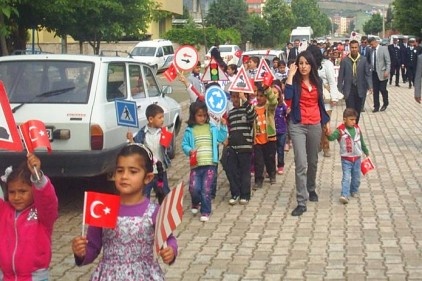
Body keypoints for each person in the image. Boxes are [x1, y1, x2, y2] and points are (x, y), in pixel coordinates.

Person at [71, 144, 178, 280]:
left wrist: (171, 251)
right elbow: (93, 247)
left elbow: (168, 239)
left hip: (144, 275)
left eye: (133, 171)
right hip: (110, 275)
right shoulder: (103, 208)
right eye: (120, 171)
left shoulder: (155, 211)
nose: (124, 176)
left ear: (148, 177)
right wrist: (81, 253)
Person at [284, 50, 330, 216]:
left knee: (313, 161)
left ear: (312, 65)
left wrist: (325, 122)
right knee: (301, 163)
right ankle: (301, 201)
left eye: (306, 63)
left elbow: (321, 104)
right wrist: (290, 75)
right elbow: (287, 98)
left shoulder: (317, 81)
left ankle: (311, 188)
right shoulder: (294, 83)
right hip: (298, 125)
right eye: (301, 63)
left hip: (315, 124)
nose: (303, 67)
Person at [0, 153, 58, 280]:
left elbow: (48, 201)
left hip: (34, 277)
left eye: (22, 191)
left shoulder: (41, 213)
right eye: (12, 192)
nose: (16, 197)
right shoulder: (4, 210)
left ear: (34, 190)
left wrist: (38, 177)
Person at [181, 101, 228, 222]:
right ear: (193, 116)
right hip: (196, 165)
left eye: (204, 115)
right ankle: (195, 202)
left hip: (210, 165)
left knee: (206, 189)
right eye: (199, 115)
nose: (202, 118)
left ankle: (206, 211)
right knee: (194, 188)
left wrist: (223, 126)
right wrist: (189, 150)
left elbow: (221, 138)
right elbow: (184, 144)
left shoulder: (211, 128)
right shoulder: (190, 130)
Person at [127, 104, 170, 204]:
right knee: (144, 193)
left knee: (163, 192)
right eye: (160, 117)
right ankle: (143, 212)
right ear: (150, 119)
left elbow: (168, 149)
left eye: (162, 117)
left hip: (160, 171)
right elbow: (137, 147)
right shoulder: (143, 133)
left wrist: (167, 144)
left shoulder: (163, 132)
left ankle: (164, 212)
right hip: (147, 172)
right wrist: (130, 140)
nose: (162, 120)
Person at [325, 108, 369, 204]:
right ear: (344, 119)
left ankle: (354, 190)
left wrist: (366, 150)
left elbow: (361, 141)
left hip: (357, 157)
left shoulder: (357, 128)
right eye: (351, 119)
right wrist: (328, 134)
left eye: (355, 119)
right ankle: (344, 194)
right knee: (346, 177)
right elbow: (332, 137)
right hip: (346, 159)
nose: (354, 122)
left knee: (356, 176)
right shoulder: (340, 130)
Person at [307, 45, 340, 157]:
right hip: (313, 97)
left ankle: (326, 146)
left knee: (325, 124)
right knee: (316, 124)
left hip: (326, 98)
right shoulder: (308, 65)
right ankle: (318, 144)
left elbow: (332, 82)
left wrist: (334, 98)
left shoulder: (327, 64)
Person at [224, 91, 256, 205]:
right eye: (233, 97)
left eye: (238, 96)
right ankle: (235, 193)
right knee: (232, 170)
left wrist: (245, 100)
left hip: (245, 146)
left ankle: (245, 194)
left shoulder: (247, 110)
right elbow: (230, 128)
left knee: (245, 172)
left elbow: (253, 116)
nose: (236, 99)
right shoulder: (231, 113)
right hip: (233, 146)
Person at [337, 39, 373, 124]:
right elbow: (340, 77)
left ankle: (355, 126)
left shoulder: (363, 60)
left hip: (360, 89)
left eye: (355, 47)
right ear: (350, 48)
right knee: (350, 110)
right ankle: (350, 127)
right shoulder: (345, 60)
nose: (354, 49)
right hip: (349, 89)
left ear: (358, 48)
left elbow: (367, 74)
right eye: (352, 47)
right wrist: (339, 90)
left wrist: (370, 86)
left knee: (358, 110)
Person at [252, 82, 278, 189]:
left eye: (261, 96)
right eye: (257, 95)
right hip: (257, 140)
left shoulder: (269, 108)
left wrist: (267, 88)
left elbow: (274, 101)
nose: (259, 98)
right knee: (258, 161)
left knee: (270, 158)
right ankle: (258, 180)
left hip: (269, 139)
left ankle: (272, 173)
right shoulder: (253, 108)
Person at [369, 37, 391, 112]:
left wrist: (387, 71)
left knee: (382, 89)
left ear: (375, 42)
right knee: (375, 91)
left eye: (372, 44)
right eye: (370, 45)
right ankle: (376, 106)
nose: (371, 46)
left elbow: (388, 61)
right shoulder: (371, 50)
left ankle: (385, 102)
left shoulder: (383, 49)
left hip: (383, 73)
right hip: (374, 73)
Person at [274, 84, 288, 175]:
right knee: (272, 150)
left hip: (282, 130)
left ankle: (280, 165)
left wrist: (288, 112)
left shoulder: (282, 105)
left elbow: (287, 114)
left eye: (275, 93)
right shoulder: (269, 105)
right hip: (272, 131)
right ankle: (271, 167)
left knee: (280, 149)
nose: (274, 95)